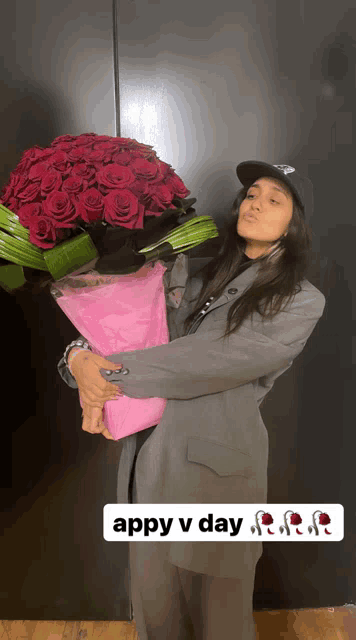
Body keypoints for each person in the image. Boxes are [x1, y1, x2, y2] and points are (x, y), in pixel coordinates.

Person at [57, 161, 326, 640]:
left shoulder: (300, 301)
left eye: (274, 199)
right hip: (147, 468)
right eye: (251, 193)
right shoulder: (193, 274)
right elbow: (128, 332)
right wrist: (77, 358)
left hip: (215, 482)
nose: (256, 203)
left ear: (295, 224)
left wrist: (107, 373)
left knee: (219, 625)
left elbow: (211, 360)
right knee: (155, 621)